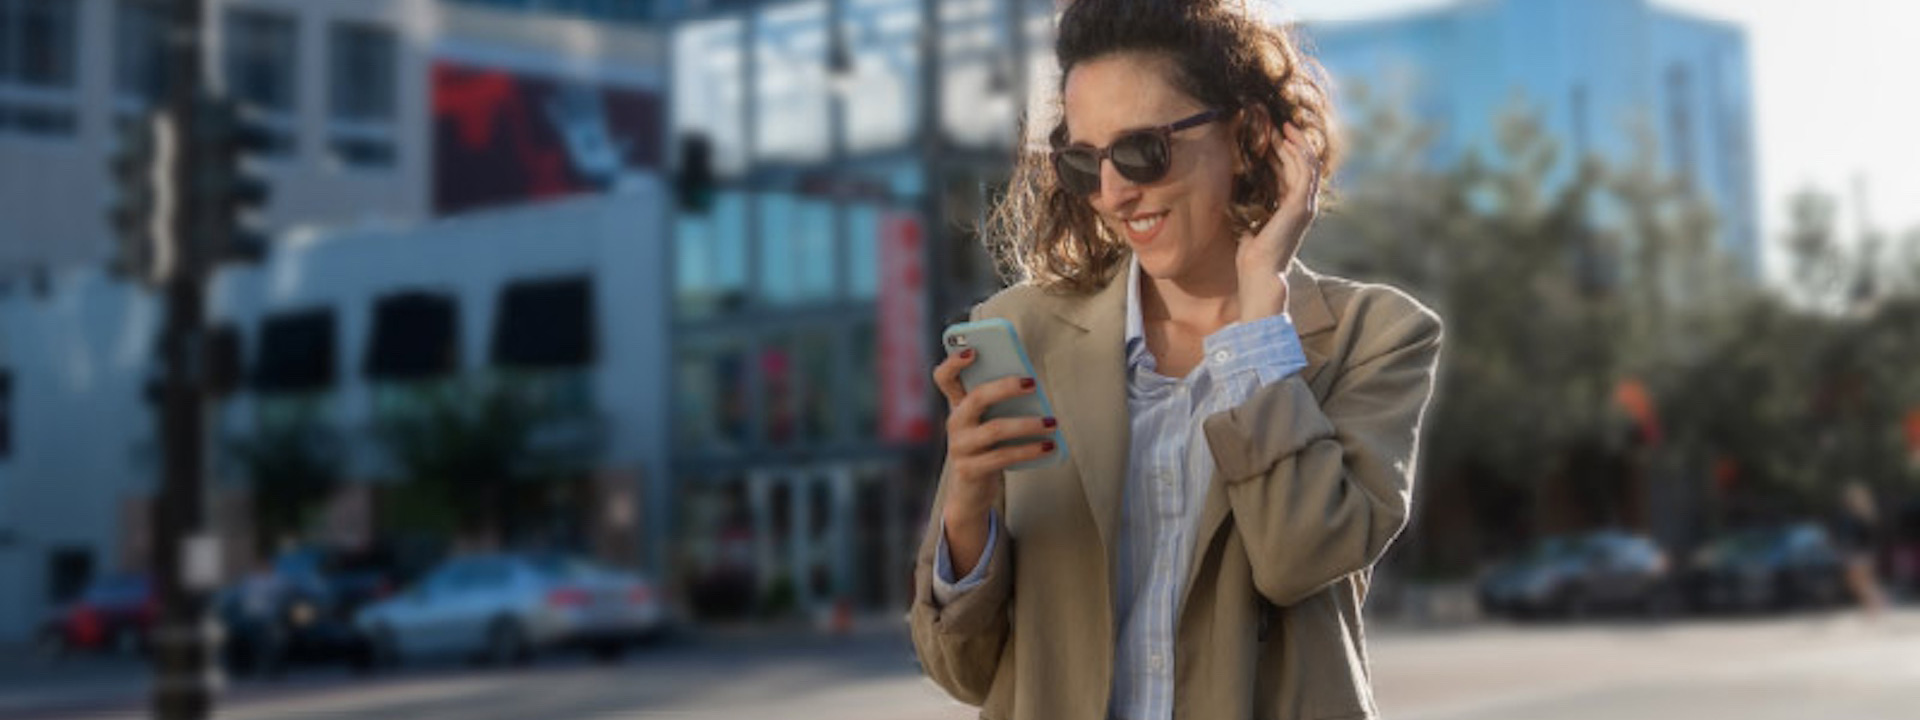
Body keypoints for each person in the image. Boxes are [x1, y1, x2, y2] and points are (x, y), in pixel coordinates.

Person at [907, 1, 1444, 719]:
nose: (1114, 193)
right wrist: (968, 507)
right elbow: (963, 671)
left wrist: (1259, 326)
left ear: (1248, 133)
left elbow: (1298, 559)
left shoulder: (1375, 337)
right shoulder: (1019, 332)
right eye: (1084, 161)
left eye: (1141, 152)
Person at [1835, 481, 1886, 619]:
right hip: (1855, 552)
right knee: (1856, 582)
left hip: (1862, 552)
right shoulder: (1849, 516)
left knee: (1863, 581)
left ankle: (1875, 608)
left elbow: (1868, 537)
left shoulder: (1863, 515)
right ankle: (1874, 606)